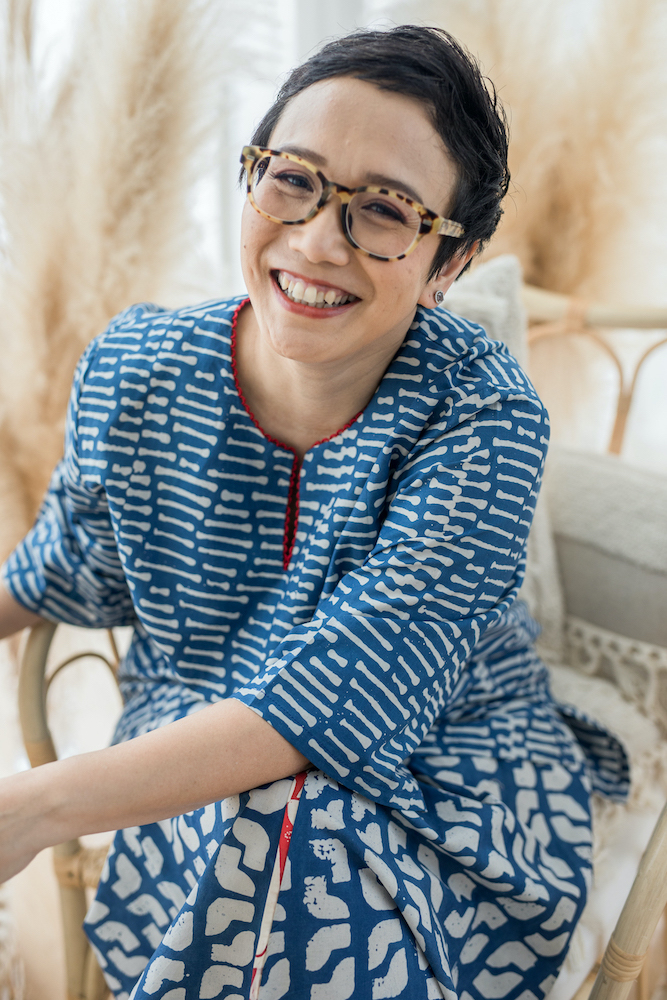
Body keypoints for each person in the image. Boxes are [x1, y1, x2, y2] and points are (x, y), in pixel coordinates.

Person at [0, 25, 627, 1000]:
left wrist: (34, 807)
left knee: (297, 842)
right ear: (251, 179)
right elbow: (63, 569)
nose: (316, 239)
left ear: (445, 264)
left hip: (445, 760)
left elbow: (334, 698)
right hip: (189, 739)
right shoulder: (137, 370)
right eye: (291, 178)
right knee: (266, 837)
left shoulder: (485, 419)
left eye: (383, 211)